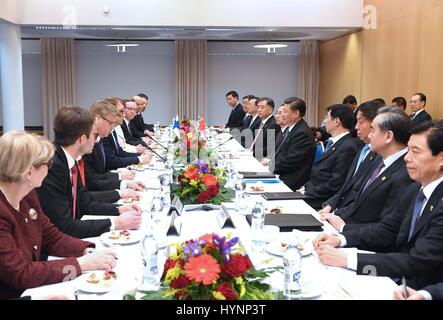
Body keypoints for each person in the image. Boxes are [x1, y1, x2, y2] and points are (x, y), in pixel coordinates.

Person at [313, 120, 443, 290]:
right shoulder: (416, 189)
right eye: (408, 149)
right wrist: (340, 239)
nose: (406, 157)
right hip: (399, 275)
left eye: (415, 152)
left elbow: (417, 261)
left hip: (420, 287)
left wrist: (348, 260)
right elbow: (386, 230)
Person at [0, 131, 118, 300]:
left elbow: (50, 236)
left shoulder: (28, 196)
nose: (50, 167)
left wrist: (86, 250)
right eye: (47, 163)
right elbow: (21, 273)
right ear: (29, 172)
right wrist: (79, 264)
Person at [37, 106, 142, 239]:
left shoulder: (69, 159)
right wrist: (116, 223)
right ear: (82, 139)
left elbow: (84, 202)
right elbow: (65, 226)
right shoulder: (52, 167)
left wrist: (118, 209)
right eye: (95, 135)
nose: (97, 140)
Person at [322, 106, 414, 232]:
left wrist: (344, 228)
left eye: (373, 130)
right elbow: (356, 201)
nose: (370, 136)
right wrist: (333, 216)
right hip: (347, 226)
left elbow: (387, 229)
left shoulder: (405, 173)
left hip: (362, 239)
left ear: (388, 136)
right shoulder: (377, 159)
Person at [319, 101, 382, 218]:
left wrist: (337, 214)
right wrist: (331, 204)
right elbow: (347, 185)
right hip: (336, 208)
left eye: (360, 122)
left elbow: (358, 194)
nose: (356, 126)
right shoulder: (364, 149)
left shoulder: (378, 156)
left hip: (349, 217)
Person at [301, 104, 358, 209]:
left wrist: (308, 191)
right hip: (313, 194)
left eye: (326, 117)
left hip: (323, 202)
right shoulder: (333, 143)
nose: (324, 121)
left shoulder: (347, 147)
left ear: (336, 121)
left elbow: (336, 183)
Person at [267, 97, 315, 191]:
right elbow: (281, 154)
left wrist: (268, 167)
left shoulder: (302, 133)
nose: (281, 115)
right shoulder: (292, 128)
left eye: (285, 111)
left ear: (296, 113)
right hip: (282, 173)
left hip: (291, 180)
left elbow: (289, 162)